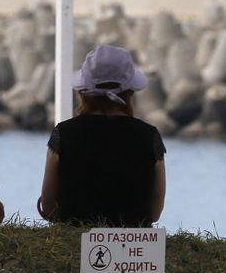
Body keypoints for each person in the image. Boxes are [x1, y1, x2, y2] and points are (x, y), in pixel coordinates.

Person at [38, 45, 166, 227]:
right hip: (134, 247)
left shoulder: (63, 133)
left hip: (73, 243)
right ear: (130, 92)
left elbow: (48, 207)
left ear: (83, 91)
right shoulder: (149, 136)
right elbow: (154, 213)